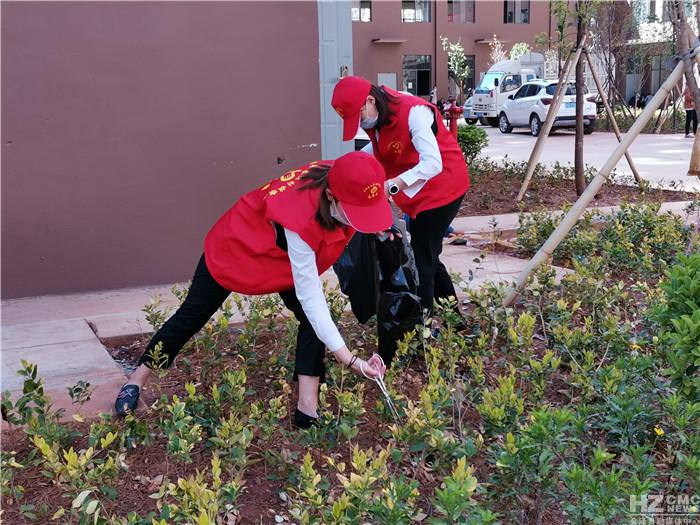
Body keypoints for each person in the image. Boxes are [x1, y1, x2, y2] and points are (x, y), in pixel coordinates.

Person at [114, 151, 391, 428]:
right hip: (237, 249)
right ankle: (137, 377)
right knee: (192, 316)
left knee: (313, 322)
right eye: (356, 211)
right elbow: (311, 297)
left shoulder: (346, 175)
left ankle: (308, 409)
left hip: (282, 255)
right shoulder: (301, 220)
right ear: (331, 195)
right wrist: (349, 359)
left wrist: (379, 227)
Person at [331, 76, 470, 326]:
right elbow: (375, 150)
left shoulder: (414, 112)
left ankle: (423, 333)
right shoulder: (378, 114)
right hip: (417, 194)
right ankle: (455, 321)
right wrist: (343, 168)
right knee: (427, 255)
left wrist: (391, 186)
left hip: (443, 188)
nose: (362, 125)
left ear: (370, 100)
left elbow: (432, 163)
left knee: (422, 262)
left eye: (359, 117)